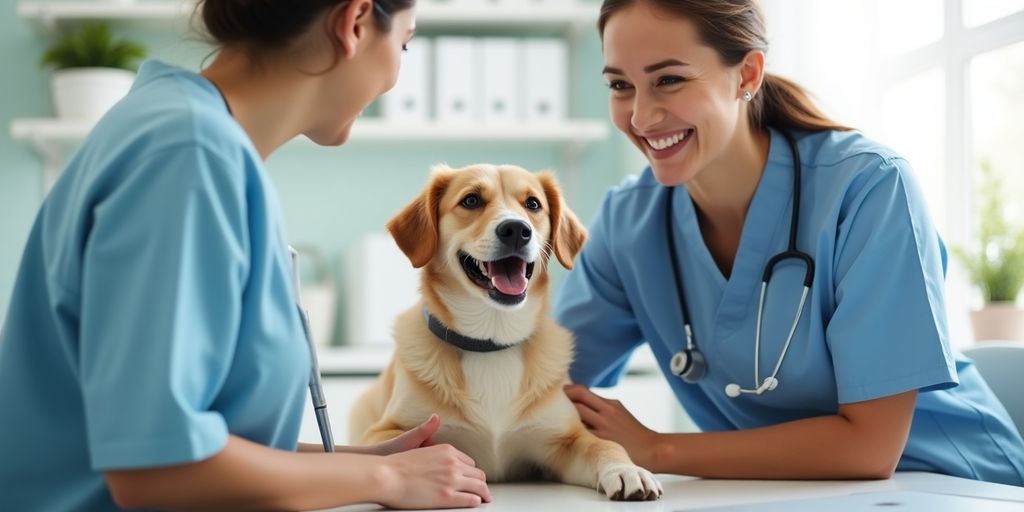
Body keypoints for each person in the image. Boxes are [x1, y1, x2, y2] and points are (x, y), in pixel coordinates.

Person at [0, 1, 492, 510]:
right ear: (355, 23)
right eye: (404, 44)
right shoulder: (187, 155)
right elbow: (152, 469)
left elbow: (195, 435)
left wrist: (368, 462)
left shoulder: (183, 128)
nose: (396, 76)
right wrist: (385, 481)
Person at [556, 0, 1024, 486]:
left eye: (669, 79)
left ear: (747, 74)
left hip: (952, 483)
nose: (641, 116)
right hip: (782, 492)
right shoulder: (631, 222)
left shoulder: (869, 188)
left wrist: (657, 448)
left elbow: (871, 448)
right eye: (619, 86)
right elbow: (536, 386)